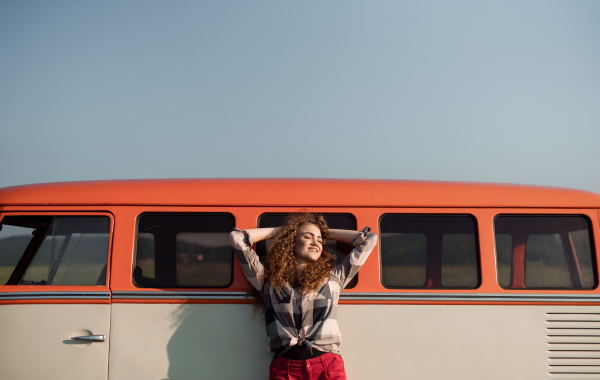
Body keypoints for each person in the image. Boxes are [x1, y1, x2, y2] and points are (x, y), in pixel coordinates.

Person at [229, 213, 377, 380]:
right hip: (285, 370)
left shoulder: (334, 278)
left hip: (327, 367)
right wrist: (285, 231)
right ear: (292, 241)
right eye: (307, 237)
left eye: (320, 240)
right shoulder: (267, 282)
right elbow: (237, 238)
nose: (316, 242)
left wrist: (323, 232)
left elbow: (369, 240)